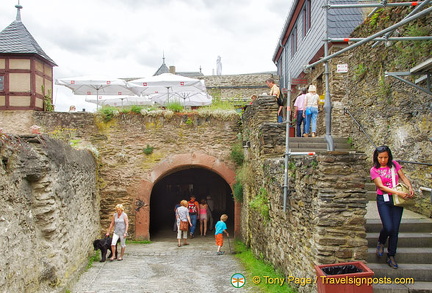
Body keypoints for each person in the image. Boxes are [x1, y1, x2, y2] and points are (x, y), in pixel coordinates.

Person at [370, 146, 414, 269]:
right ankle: (381, 241)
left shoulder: (394, 165)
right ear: (376, 157)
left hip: (396, 200)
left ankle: (391, 255)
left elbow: (403, 177)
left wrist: (409, 187)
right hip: (383, 199)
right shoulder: (374, 170)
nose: (383, 160)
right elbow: (381, 186)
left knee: (395, 229)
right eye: (380, 157)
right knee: (388, 227)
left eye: (385, 157)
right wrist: (398, 193)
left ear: (389, 157)